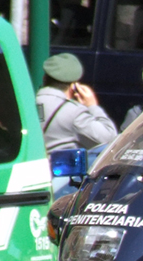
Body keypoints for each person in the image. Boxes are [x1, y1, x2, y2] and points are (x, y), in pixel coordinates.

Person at [35, 53, 117, 196]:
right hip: (58, 185)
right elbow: (109, 138)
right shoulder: (73, 112)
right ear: (74, 86)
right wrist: (93, 106)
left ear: (44, 78)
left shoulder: (26, 104)